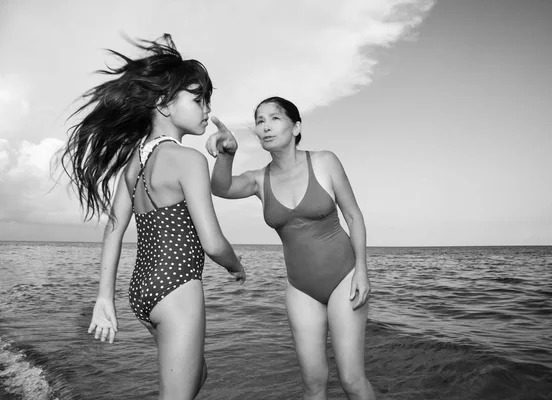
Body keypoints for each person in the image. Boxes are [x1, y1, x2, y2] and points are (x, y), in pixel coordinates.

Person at [58, 34, 246, 400]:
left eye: (208, 100)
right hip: (177, 287)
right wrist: (235, 267)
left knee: (197, 374)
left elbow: (113, 230)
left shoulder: (134, 164)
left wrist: (105, 298)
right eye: (197, 99)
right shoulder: (189, 160)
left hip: (142, 291)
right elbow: (212, 242)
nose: (207, 109)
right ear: (163, 103)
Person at [207, 96, 375, 400]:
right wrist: (226, 154)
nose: (266, 126)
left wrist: (362, 270)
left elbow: (354, 215)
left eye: (275, 118)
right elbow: (220, 188)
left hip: (344, 277)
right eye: (259, 121)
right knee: (312, 384)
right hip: (301, 289)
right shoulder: (259, 179)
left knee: (351, 379)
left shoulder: (324, 161)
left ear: (296, 127)